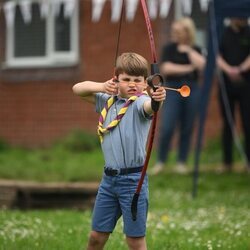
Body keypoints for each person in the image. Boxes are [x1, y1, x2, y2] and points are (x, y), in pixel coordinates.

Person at [72, 52, 166, 250]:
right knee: (96, 236)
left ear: (145, 83)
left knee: (135, 241)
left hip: (133, 182)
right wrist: (102, 87)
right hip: (108, 181)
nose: (132, 84)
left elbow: (151, 106)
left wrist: (158, 98)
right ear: (116, 78)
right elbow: (77, 89)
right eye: (126, 79)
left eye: (138, 80)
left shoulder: (141, 103)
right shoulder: (107, 101)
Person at [151, 17, 206, 175]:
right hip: (173, 88)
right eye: (173, 31)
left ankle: (181, 162)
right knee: (167, 126)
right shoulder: (169, 48)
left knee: (187, 126)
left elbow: (203, 65)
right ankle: (161, 161)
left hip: (193, 89)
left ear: (187, 33)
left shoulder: (196, 48)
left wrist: (188, 51)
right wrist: (190, 67)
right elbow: (167, 68)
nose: (174, 34)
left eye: (178, 31)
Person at [217, 18, 250, 172]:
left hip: (246, 85)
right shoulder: (222, 32)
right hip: (226, 85)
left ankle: (248, 161)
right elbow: (216, 55)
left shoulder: (248, 31)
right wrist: (229, 70)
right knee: (228, 123)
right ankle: (227, 162)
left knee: (247, 123)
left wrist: (241, 68)